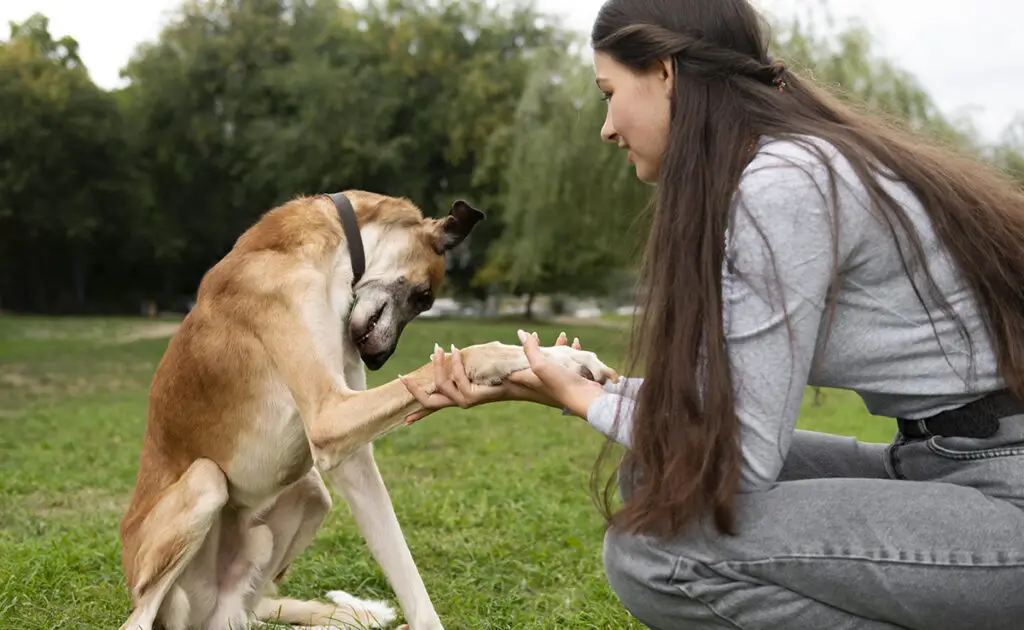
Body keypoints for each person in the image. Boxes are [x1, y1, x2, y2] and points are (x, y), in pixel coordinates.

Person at [401, 0, 1024, 627]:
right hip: (940, 462)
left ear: (666, 73)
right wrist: (555, 387)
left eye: (609, 92)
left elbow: (738, 456)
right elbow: (720, 406)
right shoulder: (790, 167)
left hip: (1004, 494)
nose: (606, 127)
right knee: (652, 472)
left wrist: (583, 401)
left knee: (654, 554)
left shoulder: (786, 186)